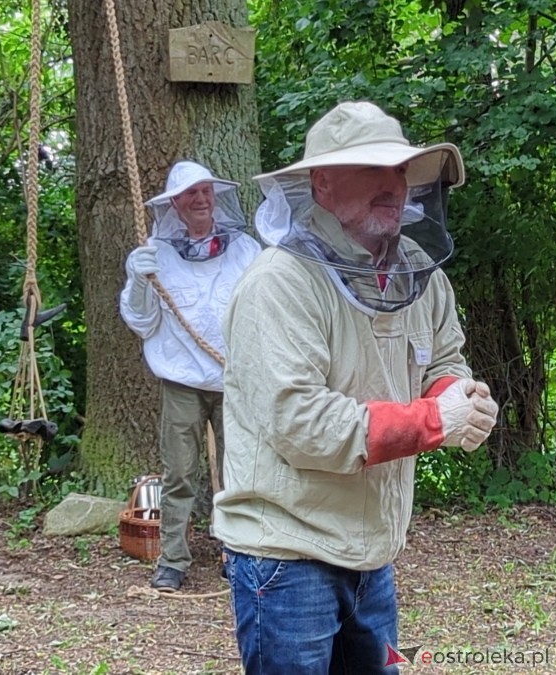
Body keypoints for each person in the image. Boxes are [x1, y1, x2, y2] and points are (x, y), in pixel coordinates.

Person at [214, 101, 499, 673]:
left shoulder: (420, 272)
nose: (393, 185)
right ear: (322, 182)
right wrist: (434, 420)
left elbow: (443, 358)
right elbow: (302, 424)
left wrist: (461, 397)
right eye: (373, 169)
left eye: (400, 171)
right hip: (288, 553)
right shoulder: (281, 283)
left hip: (373, 549)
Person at [119, 160, 261, 592]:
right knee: (179, 473)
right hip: (181, 380)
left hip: (234, 378)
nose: (200, 200)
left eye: (206, 192)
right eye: (190, 194)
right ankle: (173, 560)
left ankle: (236, 551)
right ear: (175, 204)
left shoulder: (244, 250)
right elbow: (141, 322)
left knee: (237, 469)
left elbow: (263, 308)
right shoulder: (153, 254)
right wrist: (139, 279)